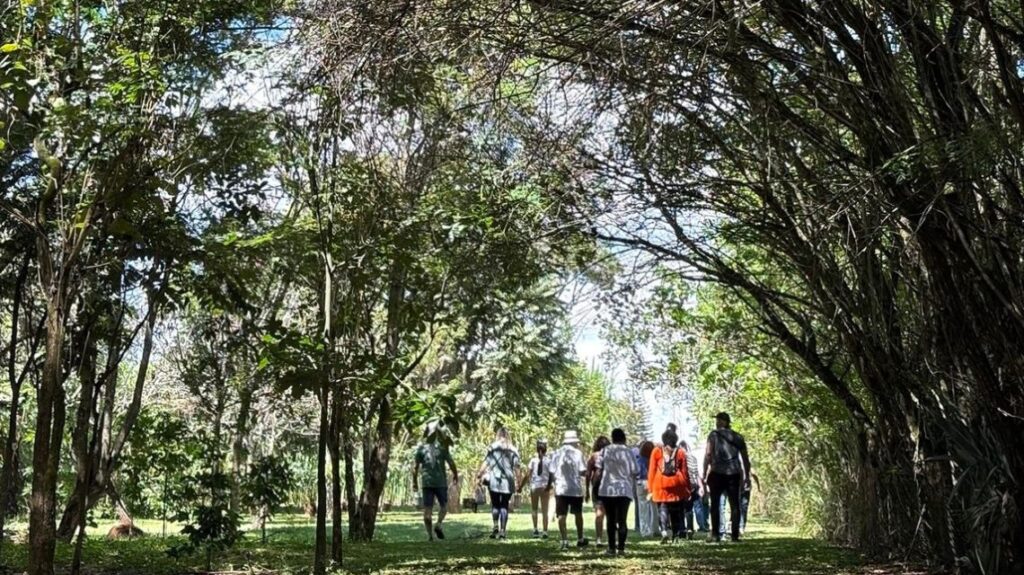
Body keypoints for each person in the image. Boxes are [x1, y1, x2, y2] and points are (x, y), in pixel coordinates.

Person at [703, 412, 751, 542]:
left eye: (719, 420)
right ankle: (734, 536)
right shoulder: (737, 437)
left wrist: (705, 472)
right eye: (717, 420)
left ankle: (715, 535)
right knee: (734, 504)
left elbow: (708, 454)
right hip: (733, 474)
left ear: (725, 422)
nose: (717, 422)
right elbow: (745, 458)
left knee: (715, 504)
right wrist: (746, 475)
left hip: (717, 473)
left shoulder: (713, 435)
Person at [412, 422, 459, 541]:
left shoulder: (422, 449)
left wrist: (414, 482)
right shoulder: (442, 448)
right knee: (444, 507)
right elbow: (451, 463)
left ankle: (430, 536)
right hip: (440, 482)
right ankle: (438, 524)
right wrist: (455, 474)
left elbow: (415, 467)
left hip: (427, 483)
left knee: (427, 509)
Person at [595, 428, 638, 556]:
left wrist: (595, 486)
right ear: (623, 438)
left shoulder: (605, 450)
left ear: (612, 438)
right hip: (624, 490)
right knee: (622, 520)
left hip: (607, 489)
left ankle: (611, 548)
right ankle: (621, 548)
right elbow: (635, 470)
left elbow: (598, 469)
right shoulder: (628, 451)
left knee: (610, 520)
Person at [547, 430, 590, 550]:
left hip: (561, 488)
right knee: (578, 513)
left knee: (561, 514)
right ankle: (580, 538)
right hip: (575, 488)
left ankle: (564, 540)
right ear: (574, 442)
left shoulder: (557, 453)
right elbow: (582, 471)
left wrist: (549, 485)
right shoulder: (578, 453)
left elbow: (551, 472)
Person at [648, 428, 691, 543]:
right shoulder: (680, 452)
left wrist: (650, 489)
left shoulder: (657, 451)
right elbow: (685, 472)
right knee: (675, 511)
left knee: (662, 508)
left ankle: (664, 532)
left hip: (660, 484)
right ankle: (676, 535)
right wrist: (687, 489)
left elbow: (652, 471)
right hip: (677, 484)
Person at [477, 427, 521, 540]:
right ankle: (502, 531)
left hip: (494, 480)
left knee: (495, 504)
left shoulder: (493, 447)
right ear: (508, 436)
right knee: (504, 505)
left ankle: (495, 525)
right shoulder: (513, 449)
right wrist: (519, 482)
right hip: (508, 481)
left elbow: (486, 462)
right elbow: (517, 468)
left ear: (498, 435)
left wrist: (479, 474)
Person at [518, 438, 553, 539]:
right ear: (546, 449)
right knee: (545, 511)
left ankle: (535, 529)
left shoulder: (533, 461)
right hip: (544, 487)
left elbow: (527, 475)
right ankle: (545, 531)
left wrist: (520, 487)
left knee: (534, 509)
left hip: (535, 487)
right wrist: (549, 486)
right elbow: (551, 475)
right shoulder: (549, 461)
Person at [585, 435, 610, 546]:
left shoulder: (594, 456)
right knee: (611, 514)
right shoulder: (611, 456)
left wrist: (587, 489)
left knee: (599, 513)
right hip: (609, 486)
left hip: (597, 485)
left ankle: (599, 538)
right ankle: (611, 539)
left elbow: (588, 474)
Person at [680, 439, 704, 539]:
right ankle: (690, 528)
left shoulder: (681, 458)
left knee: (683, 509)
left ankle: (683, 530)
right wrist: (701, 486)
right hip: (694, 486)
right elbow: (697, 473)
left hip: (685, 486)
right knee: (690, 508)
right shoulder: (693, 458)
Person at [634, 440, 656, 537]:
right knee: (654, 508)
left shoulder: (639, 460)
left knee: (643, 508)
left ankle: (645, 530)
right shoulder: (653, 460)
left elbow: (635, 472)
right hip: (652, 483)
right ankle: (655, 529)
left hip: (641, 483)